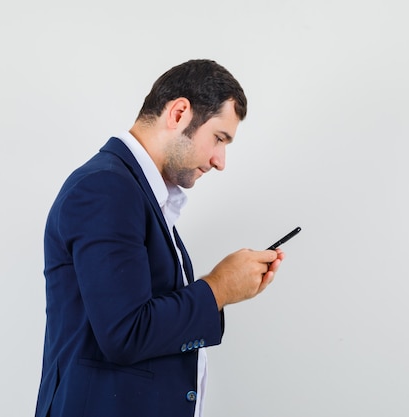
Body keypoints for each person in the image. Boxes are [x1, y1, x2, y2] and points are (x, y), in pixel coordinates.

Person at [35, 59, 285, 417]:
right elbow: (125, 333)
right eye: (219, 138)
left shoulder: (137, 193)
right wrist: (218, 289)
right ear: (180, 112)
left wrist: (222, 290)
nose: (220, 160)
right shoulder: (107, 188)